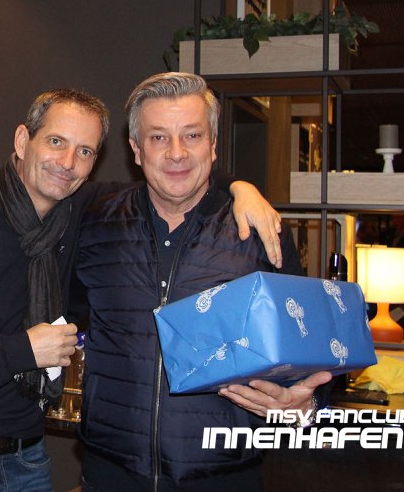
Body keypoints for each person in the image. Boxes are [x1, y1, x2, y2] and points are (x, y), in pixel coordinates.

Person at [0, 88, 283, 491]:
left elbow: (176, 173)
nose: (67, 163)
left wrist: (242, 188)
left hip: (26, 456)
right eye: (56, 142)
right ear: (22, 140)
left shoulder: (79, 211)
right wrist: (22, 350)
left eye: (85, 151)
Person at [76, 73, 332, 492]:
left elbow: (308, 351)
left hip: (223, 478)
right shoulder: (96, 222)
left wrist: (307, 403)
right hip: (111, 474)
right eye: (158, 137)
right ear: (136, 149)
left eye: (192, 135)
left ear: (213, 145)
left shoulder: (258, 232)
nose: (176, 152)